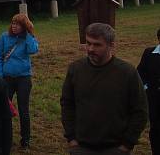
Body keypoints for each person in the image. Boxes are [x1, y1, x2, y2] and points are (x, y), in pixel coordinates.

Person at [61, 23, 148, 155]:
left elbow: (140, 110)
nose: (90, 49)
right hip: (81, 147)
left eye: (97, 45)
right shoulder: (75, 69)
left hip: (115, 148)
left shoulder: (127, 73)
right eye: (88, 43)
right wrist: (72, 139)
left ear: (111, 45)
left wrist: (127, 144)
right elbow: (67, 104)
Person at [0, 13, 38, 149]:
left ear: (24, 26)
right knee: (4, 108)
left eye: (18, 24)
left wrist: (28, 35)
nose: (14, 26)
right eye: (13, 23)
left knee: (23, 110)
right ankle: (4, 137)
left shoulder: (27, 38)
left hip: (23, 78)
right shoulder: (4, 37)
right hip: (6, 78)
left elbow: (33, 50)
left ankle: (25, 140)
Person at [137, 28, 160, 154]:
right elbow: (140, 73)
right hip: (154, 99)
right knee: (156, 129)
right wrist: (147, 89)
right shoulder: (149, 53)